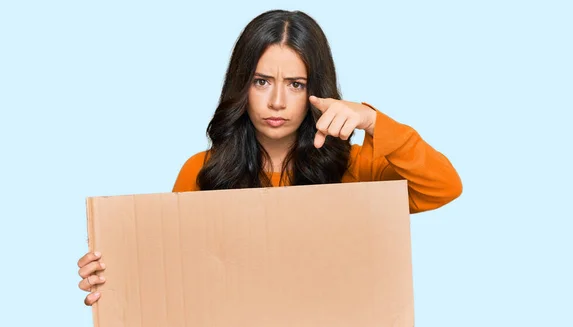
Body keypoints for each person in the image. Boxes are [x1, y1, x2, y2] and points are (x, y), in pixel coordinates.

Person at [77, 9, 463, 306]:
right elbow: (172, 276)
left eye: (296, 85)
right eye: (262, 82)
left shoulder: (357, 167)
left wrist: (372, 120)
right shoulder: (202, 170)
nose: (276, 101)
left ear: (318, 90)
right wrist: (111, 279)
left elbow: (442, 187)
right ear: (242, 85)